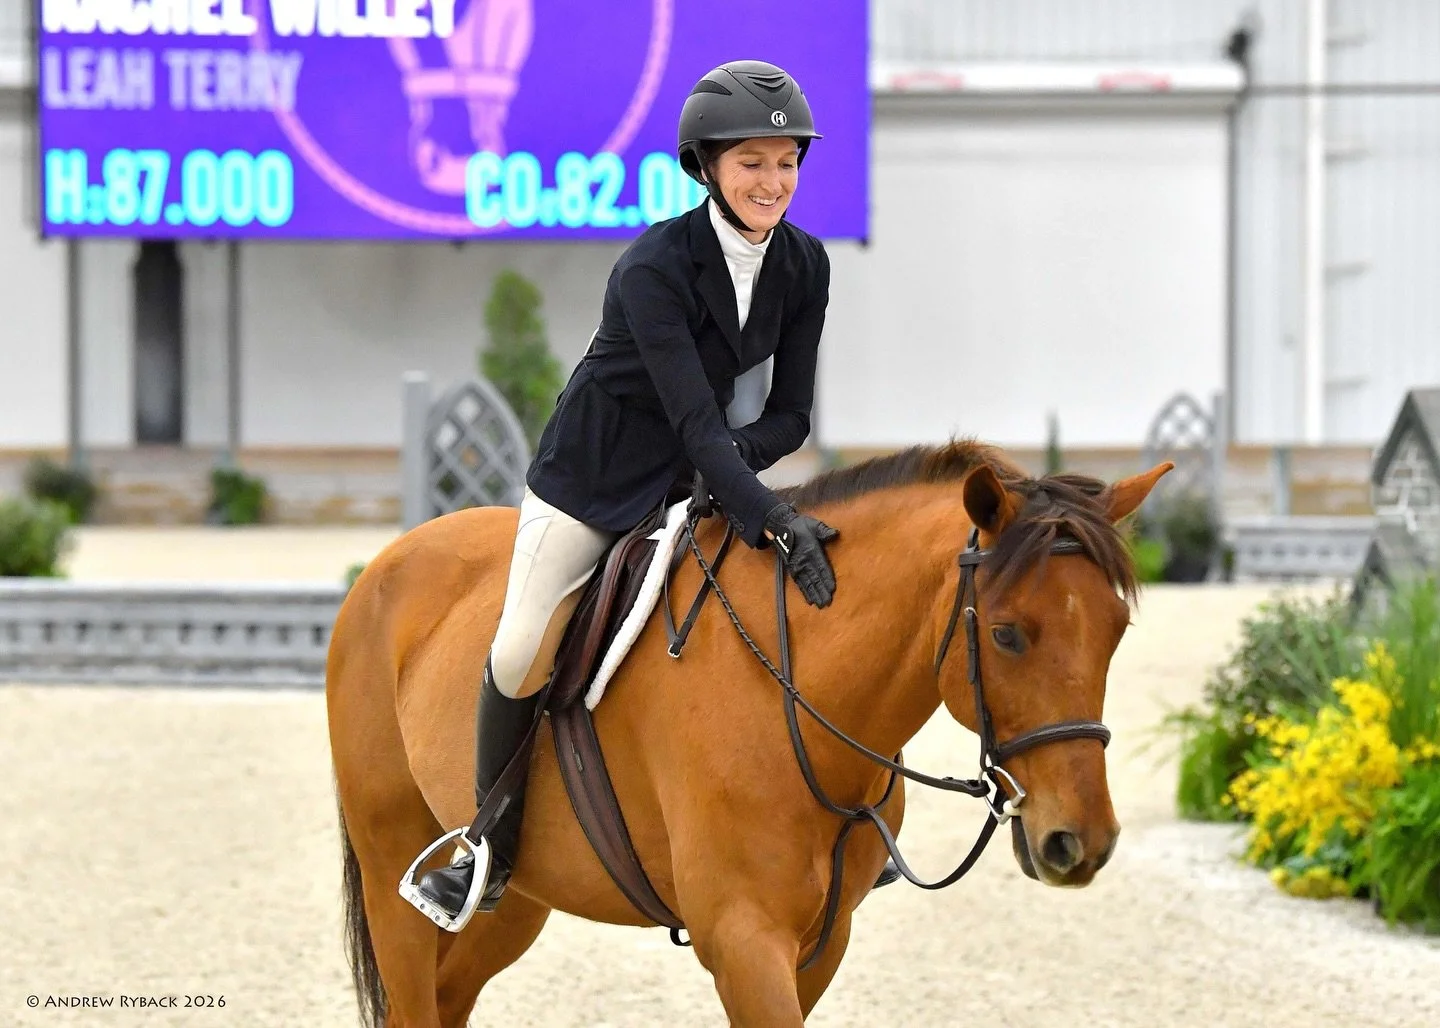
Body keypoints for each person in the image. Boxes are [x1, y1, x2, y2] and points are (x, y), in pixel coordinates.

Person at [403, 59, 855, 932]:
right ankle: (487, 846)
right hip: (593, 481)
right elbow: (693, 421)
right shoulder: (654, 265)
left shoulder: (805, 264)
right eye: (751, 163)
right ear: (708, 169)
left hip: (699, 473)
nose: (772, 181)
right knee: (522, 644)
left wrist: (736, 472)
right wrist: (765, 511)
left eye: (785, 162)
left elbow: (791, 416)